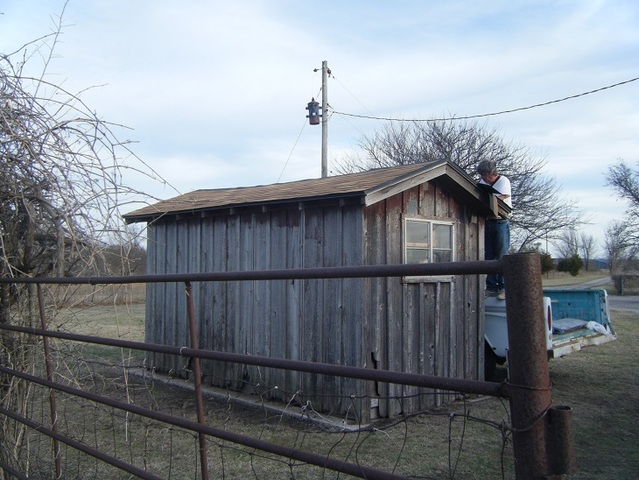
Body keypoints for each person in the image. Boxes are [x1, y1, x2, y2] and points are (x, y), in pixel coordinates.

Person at [477, 160, 512, 300]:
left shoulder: (503, 181)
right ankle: (491, 287)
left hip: (500, 221)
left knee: (501, 254)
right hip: (488, 220)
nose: (484, 178)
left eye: (486, 175)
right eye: (482, 175)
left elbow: (500, 198)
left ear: (492, 173)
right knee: (489, 255)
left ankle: (503, 287)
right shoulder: (483, 182)